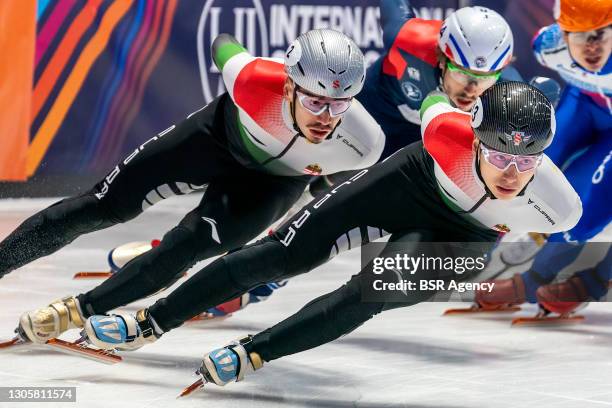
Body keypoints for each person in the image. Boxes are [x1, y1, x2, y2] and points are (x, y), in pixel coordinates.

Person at [78, 82, 581, 389]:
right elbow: (432, 97)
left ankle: (255, 352)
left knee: (368, 293)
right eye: (498, 157)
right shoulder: (444, 131)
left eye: (527, 161)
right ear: (473, 138)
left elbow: (567, 235)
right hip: (410, 184)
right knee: (280, 254)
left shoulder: (558, 206)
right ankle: (147, 323)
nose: (512, 174)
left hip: (464, 239)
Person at [5, 29, 385, 343]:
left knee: (186, 247)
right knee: (103, 205)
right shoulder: (252, 78)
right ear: (288, 88)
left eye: (339, 105)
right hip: (215, 139)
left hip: (272, 184)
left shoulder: (364, 144)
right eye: (316, 102)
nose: (326, 118)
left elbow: (327, 187)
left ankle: (77, 310)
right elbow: (222, 42)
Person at [474, 0, 611, 318]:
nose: (590, 48)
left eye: (600, 36)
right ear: (562, 36)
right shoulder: (546, 46)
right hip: (586, 107)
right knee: (528, 160)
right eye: (579, 37)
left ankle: (535, 280)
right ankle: (484, 236)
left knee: (585, 200)